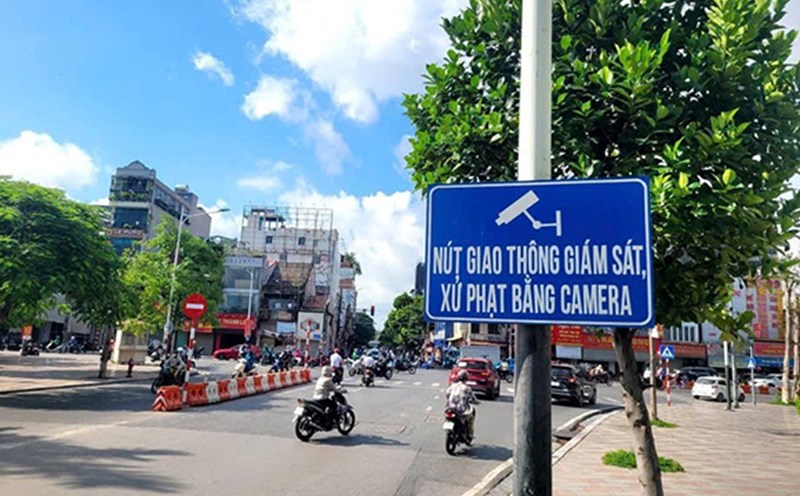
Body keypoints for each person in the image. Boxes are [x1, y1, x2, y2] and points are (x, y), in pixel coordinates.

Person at [445, 370, 479, 444]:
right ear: (466, 378)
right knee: (471, 417)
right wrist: (477, 402)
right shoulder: (467, 388)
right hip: (461, 410)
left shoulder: (453, 385)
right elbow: (473, 398)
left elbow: (447, 393)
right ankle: (470, 434)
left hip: (450, 408)